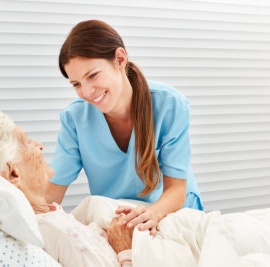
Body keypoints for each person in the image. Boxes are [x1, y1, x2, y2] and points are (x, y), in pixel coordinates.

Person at [46, 19, 203, 235]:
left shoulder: (170, 105)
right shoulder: (75, 118)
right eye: (77, 84)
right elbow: (54, 188)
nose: (87, 91)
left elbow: (176, 189)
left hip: (170, 213)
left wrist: (153, 215)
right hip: (120, 222)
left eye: (92, 75)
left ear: (120, 59)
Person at [0, 110, 133, 267]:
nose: (39, 145)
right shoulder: (55, 231)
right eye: (26, 143)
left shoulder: (47, 219)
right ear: (12, 174)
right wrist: (124, 248)